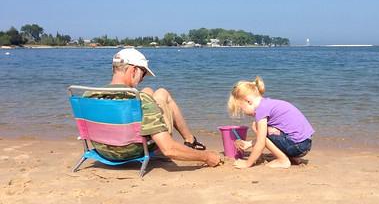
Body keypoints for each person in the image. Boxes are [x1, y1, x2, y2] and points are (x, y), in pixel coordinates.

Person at [86, 48, 221, 167]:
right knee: (162, 93)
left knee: (148, 90)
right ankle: (190, 140)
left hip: (104, 151)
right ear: (133, 70)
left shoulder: (89, 95)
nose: (143, 78)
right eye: (143, 73)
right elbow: (168, 149)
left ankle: (190, 139)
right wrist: (207, 156)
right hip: (131, 151)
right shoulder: (139, 101)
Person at [227, 76, 314, 169]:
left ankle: (283, 160)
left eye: (241, 108)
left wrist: (248, 163)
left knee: (258, 129)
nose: (243, 112)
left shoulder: (261, 110)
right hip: (305, 144)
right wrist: (249, 144)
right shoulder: (267, 104)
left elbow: (261, 141)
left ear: (248, 101)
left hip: (297, 146)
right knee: (265, 130)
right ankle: (290, 157)